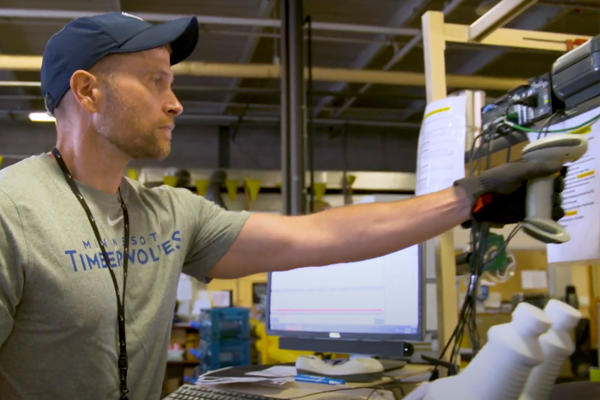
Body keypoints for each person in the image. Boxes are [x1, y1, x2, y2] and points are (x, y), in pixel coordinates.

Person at [0, 12, 565, 400]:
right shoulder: (12, 212)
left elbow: (317, 237)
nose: (174, 103)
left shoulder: (169, 215)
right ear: (88, 90)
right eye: (154, 82)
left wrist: (467, 199)